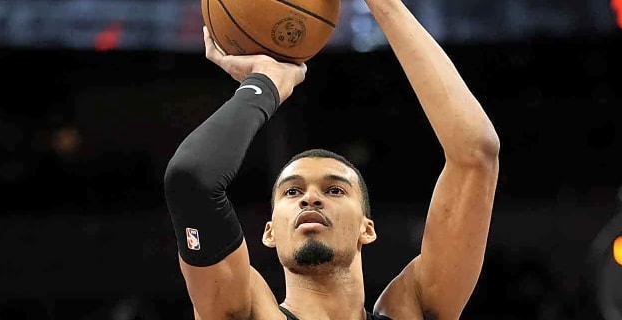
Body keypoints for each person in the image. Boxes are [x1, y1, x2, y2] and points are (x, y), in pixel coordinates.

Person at [164, 0, 500, 318]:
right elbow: (193, 179)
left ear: (366, 229)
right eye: (292, 192)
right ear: (270, 233)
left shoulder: (412, 311)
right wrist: (265, 83)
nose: (311, 197)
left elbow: (476, 152)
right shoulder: (247, 313)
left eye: (335, 190)